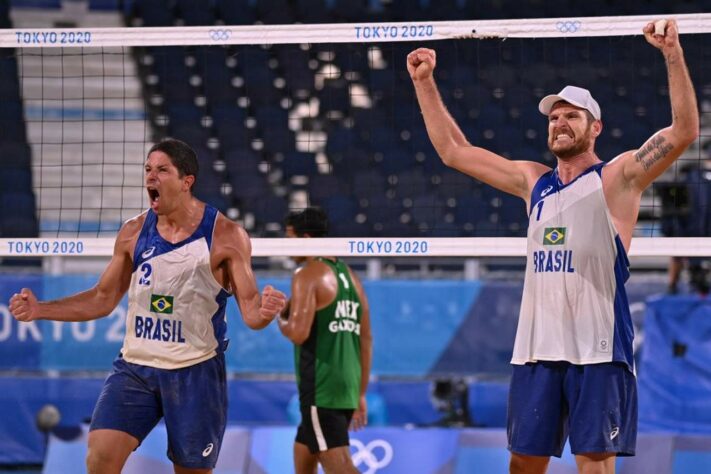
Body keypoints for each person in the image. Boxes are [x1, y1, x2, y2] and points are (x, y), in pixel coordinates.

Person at [408, 19, 697, 474]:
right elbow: (453, 151)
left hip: (598, 349)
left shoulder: (617, 178)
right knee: (523, 465)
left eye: (571, 116)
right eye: (554, 117)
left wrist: (672, 53)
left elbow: (683, 132)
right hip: (537, 350)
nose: (560, 123)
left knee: (594, 465)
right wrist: (423, 82)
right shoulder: (532, 181)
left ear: (595, 126)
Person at [8, 138, 287, 474]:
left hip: (194, 371)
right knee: (100, 458)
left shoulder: (225, 235)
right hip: (136, 367)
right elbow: (102, 298)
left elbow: (252, 314)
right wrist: (40, 310)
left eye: (162, 170)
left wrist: (267, 310)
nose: (151, 177)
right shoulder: (133, 232)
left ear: (187, 182)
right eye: (148, 170)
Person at [277, 207, 372, 474]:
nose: (285, 247)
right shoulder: (352, 279)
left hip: (322, 387)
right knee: (303, 450)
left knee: (340, 465)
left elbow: (298, 333)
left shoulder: (307, 274)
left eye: (289, 239)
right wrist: (361, 392)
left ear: (306, 238)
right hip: (348, 385)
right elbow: (366, 340)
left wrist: (281, 317)